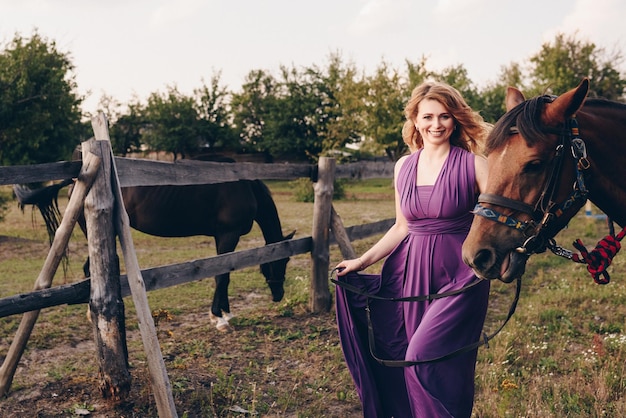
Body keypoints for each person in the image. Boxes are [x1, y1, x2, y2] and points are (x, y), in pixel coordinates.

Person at [334, 81, 491, 418]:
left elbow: (498, 219)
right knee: (406, 355)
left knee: (426, 355)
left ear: (456, 119)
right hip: (410, 272)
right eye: (428, 117)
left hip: (460, 276)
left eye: (445, 116)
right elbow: (401, 227)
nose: (437, 125)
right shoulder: (403, 167)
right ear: (416, 121)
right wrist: (361, 261)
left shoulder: (475, 165)